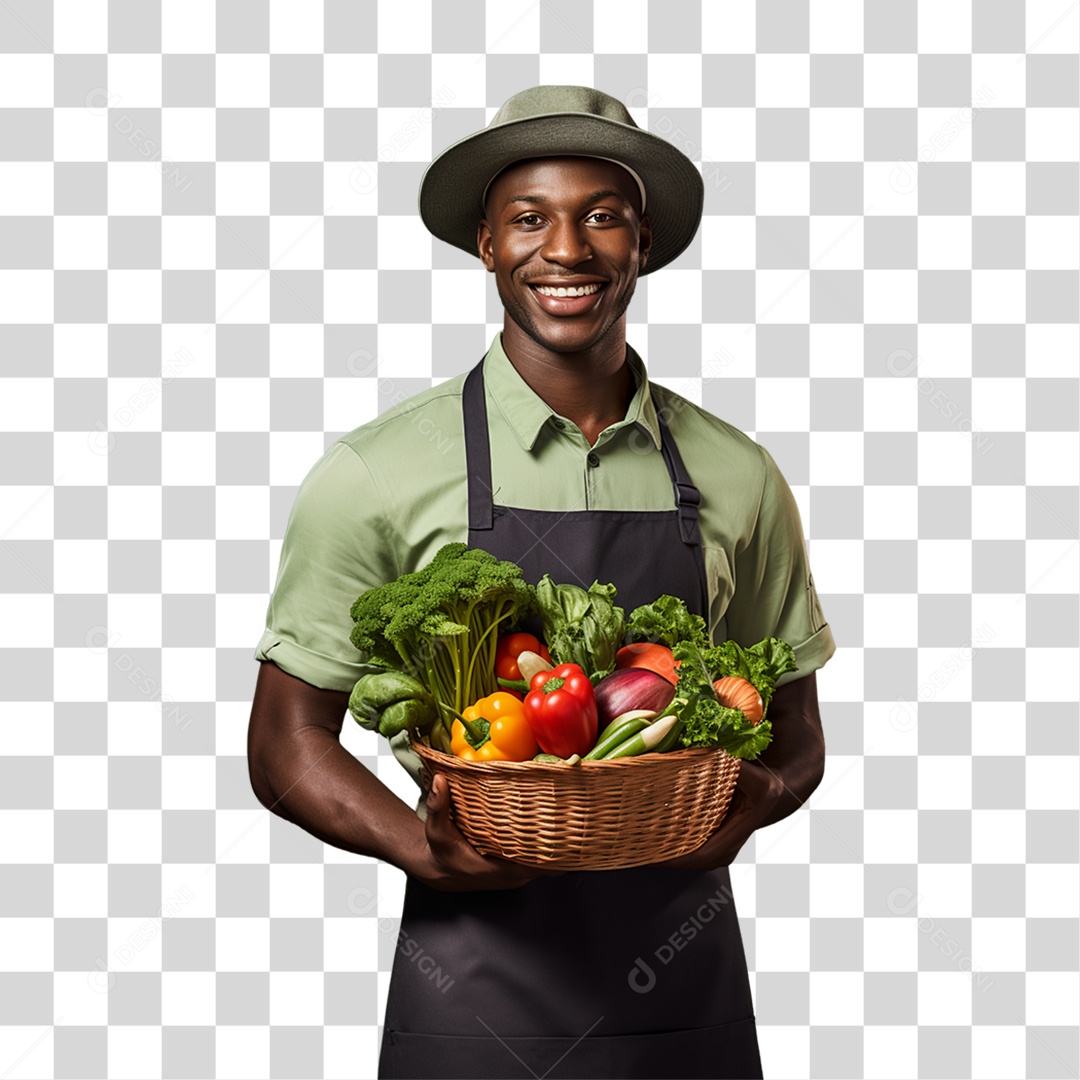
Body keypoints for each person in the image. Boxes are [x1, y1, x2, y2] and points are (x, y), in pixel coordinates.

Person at [248, 85, 836, 1080]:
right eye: (530, 218)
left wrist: (761, 796)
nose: (566, 250)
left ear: (641, 242)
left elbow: (799, 731)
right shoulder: (375, 474)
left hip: (683, 999)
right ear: (486, 244)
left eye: (601, 216)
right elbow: (284, 742)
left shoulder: (739, 476)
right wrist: (418, 846)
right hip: (469, 1002)